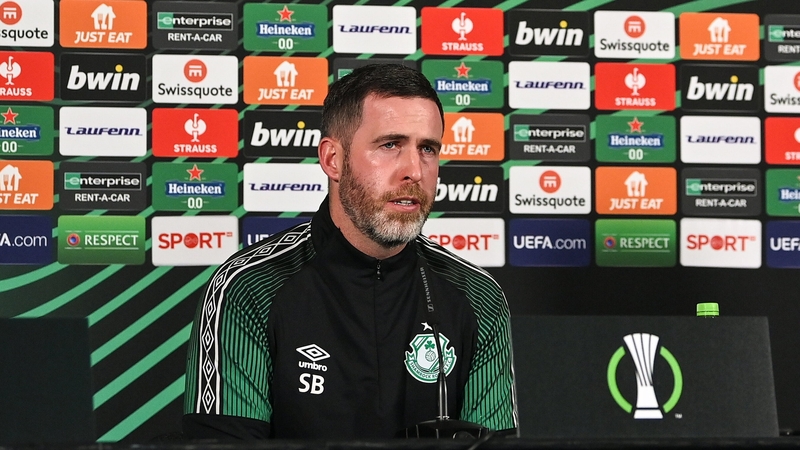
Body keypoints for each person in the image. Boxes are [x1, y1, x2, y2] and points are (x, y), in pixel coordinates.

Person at [182, 64, 516, 439]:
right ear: (332, 160)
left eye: (427, 149)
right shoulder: (247, 289)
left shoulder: (478, 296)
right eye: (390, 145)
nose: (414, 171)